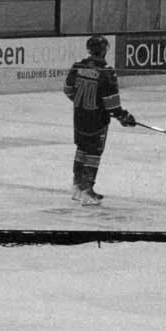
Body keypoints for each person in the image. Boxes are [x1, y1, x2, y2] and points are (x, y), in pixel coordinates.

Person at [63, 34, 137, 205]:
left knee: (81, 148)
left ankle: (77, 187)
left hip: (79, 117)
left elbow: (68, 90)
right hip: (97, 120)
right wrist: (124, 117)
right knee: (94, 152)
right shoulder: (106, 72)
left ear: (89, 49)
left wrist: (82, 103)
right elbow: (112, 104)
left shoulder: (77, 66)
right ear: (104, 51)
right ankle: (87, 190)